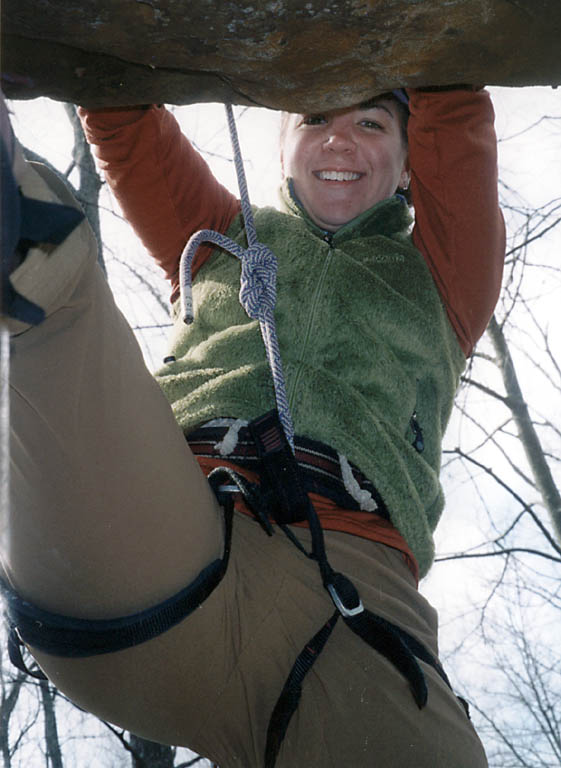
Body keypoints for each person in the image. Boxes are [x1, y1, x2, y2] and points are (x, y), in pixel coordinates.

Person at [1, 85, 505, 768]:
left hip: (354, 614)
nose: (337, 140)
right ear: (285, 149)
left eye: (370, 122)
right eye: (315, 118)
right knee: (48, 249)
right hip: (163, 538)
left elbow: (452, 95)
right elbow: (118, 106)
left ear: (410, 162)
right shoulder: (217, 234)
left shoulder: (444, 273)